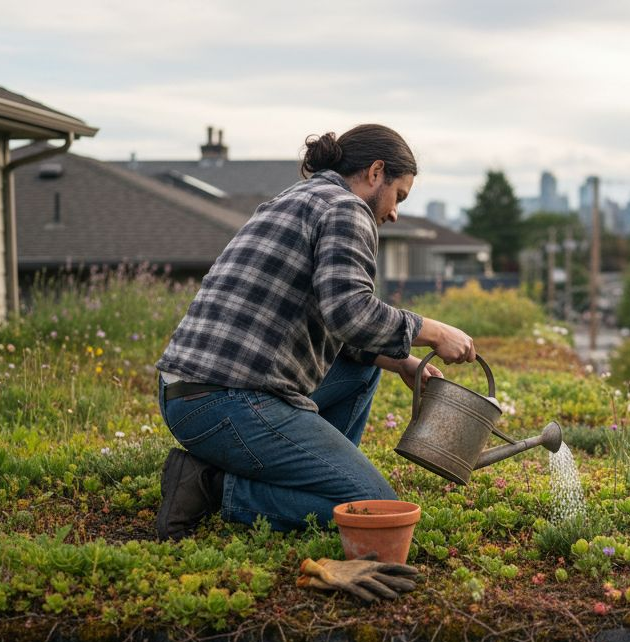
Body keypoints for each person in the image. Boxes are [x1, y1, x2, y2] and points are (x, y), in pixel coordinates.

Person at [154, 124, 475, 544]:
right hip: (226, 402)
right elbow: (351, 312)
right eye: (400, 195)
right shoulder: (348, 209)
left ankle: (312, 473)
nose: (395, 212)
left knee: (365, 371)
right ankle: (212, 487)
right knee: (369, 504)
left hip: (187, 394)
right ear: (376, 172)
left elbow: (333, 315)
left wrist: (404, 362)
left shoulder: (294, 197)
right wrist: (433, 332)